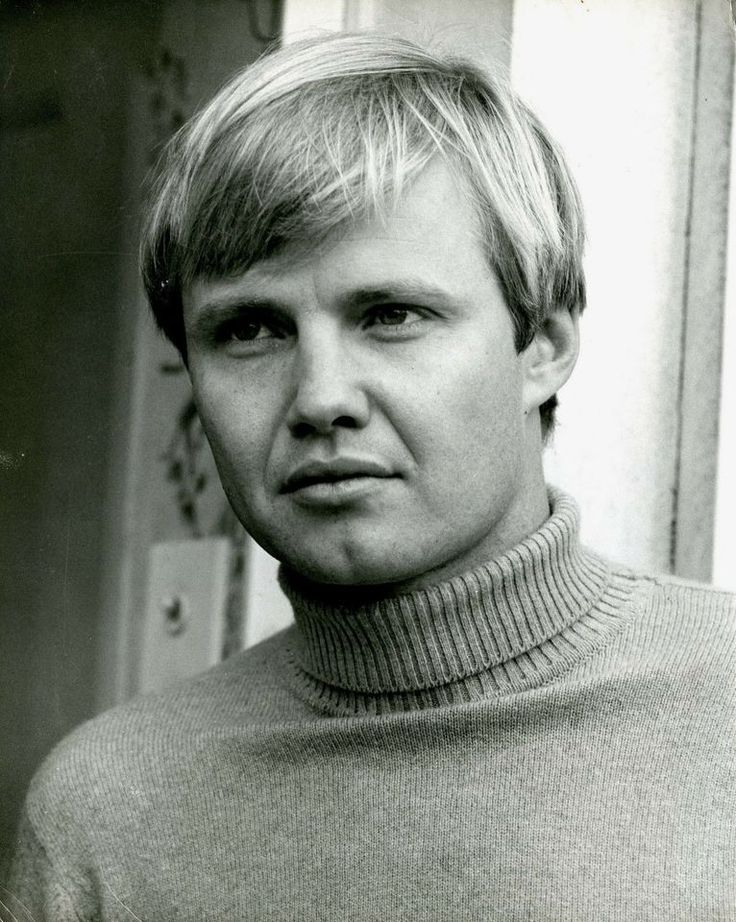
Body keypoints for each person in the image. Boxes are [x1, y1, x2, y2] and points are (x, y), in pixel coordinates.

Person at [6, 31, 735, 922]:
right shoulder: (107, 813)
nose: (320, 398)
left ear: (542, 345)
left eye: (391, 314)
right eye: (250, 331)